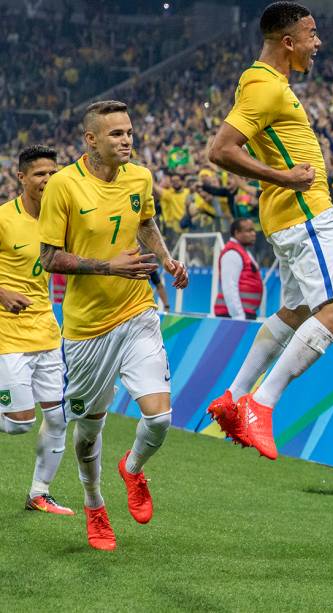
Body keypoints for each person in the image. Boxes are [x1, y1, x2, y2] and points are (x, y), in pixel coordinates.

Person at [206, 1, 333, 461]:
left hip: (289, 216)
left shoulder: (268, 84)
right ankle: (263, 403)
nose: (319, 43)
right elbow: (221, 150)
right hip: (305, 212)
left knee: (296, 311)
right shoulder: (265, 87)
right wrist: (285, 177)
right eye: (312, 34)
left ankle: (234, 396)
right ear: (289, 41)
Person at [39, 100, 189, 550]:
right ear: (91, 140)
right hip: (87, 332)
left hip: (136, 312)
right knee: (87, 434)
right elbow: (49, 258)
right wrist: (108, 266)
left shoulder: (139, 178)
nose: (127, 141)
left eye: (129, 133)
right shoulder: (64, 186)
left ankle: (133, 468)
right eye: (117, 135)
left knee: (160, 417)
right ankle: (94, 506)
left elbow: (145, 223)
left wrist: (165, 259)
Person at [0, 145, 72, 516]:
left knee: (59, 418)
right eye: (40, 173)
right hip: (8, 333)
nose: (48, 179)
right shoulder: (3, 218)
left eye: (52, 172)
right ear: (21, 177)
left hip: (46, 329)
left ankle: (39, 493)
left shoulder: (57, 219)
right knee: (19, 425)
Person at [214, 218, 263, 320]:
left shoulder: (243, 251)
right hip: (233, 317)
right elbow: (230, 287)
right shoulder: (232, 253)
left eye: (253, 230)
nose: (253, 234)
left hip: (243, 315)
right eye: (249, 231)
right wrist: (238, 317)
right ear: (237, 233)